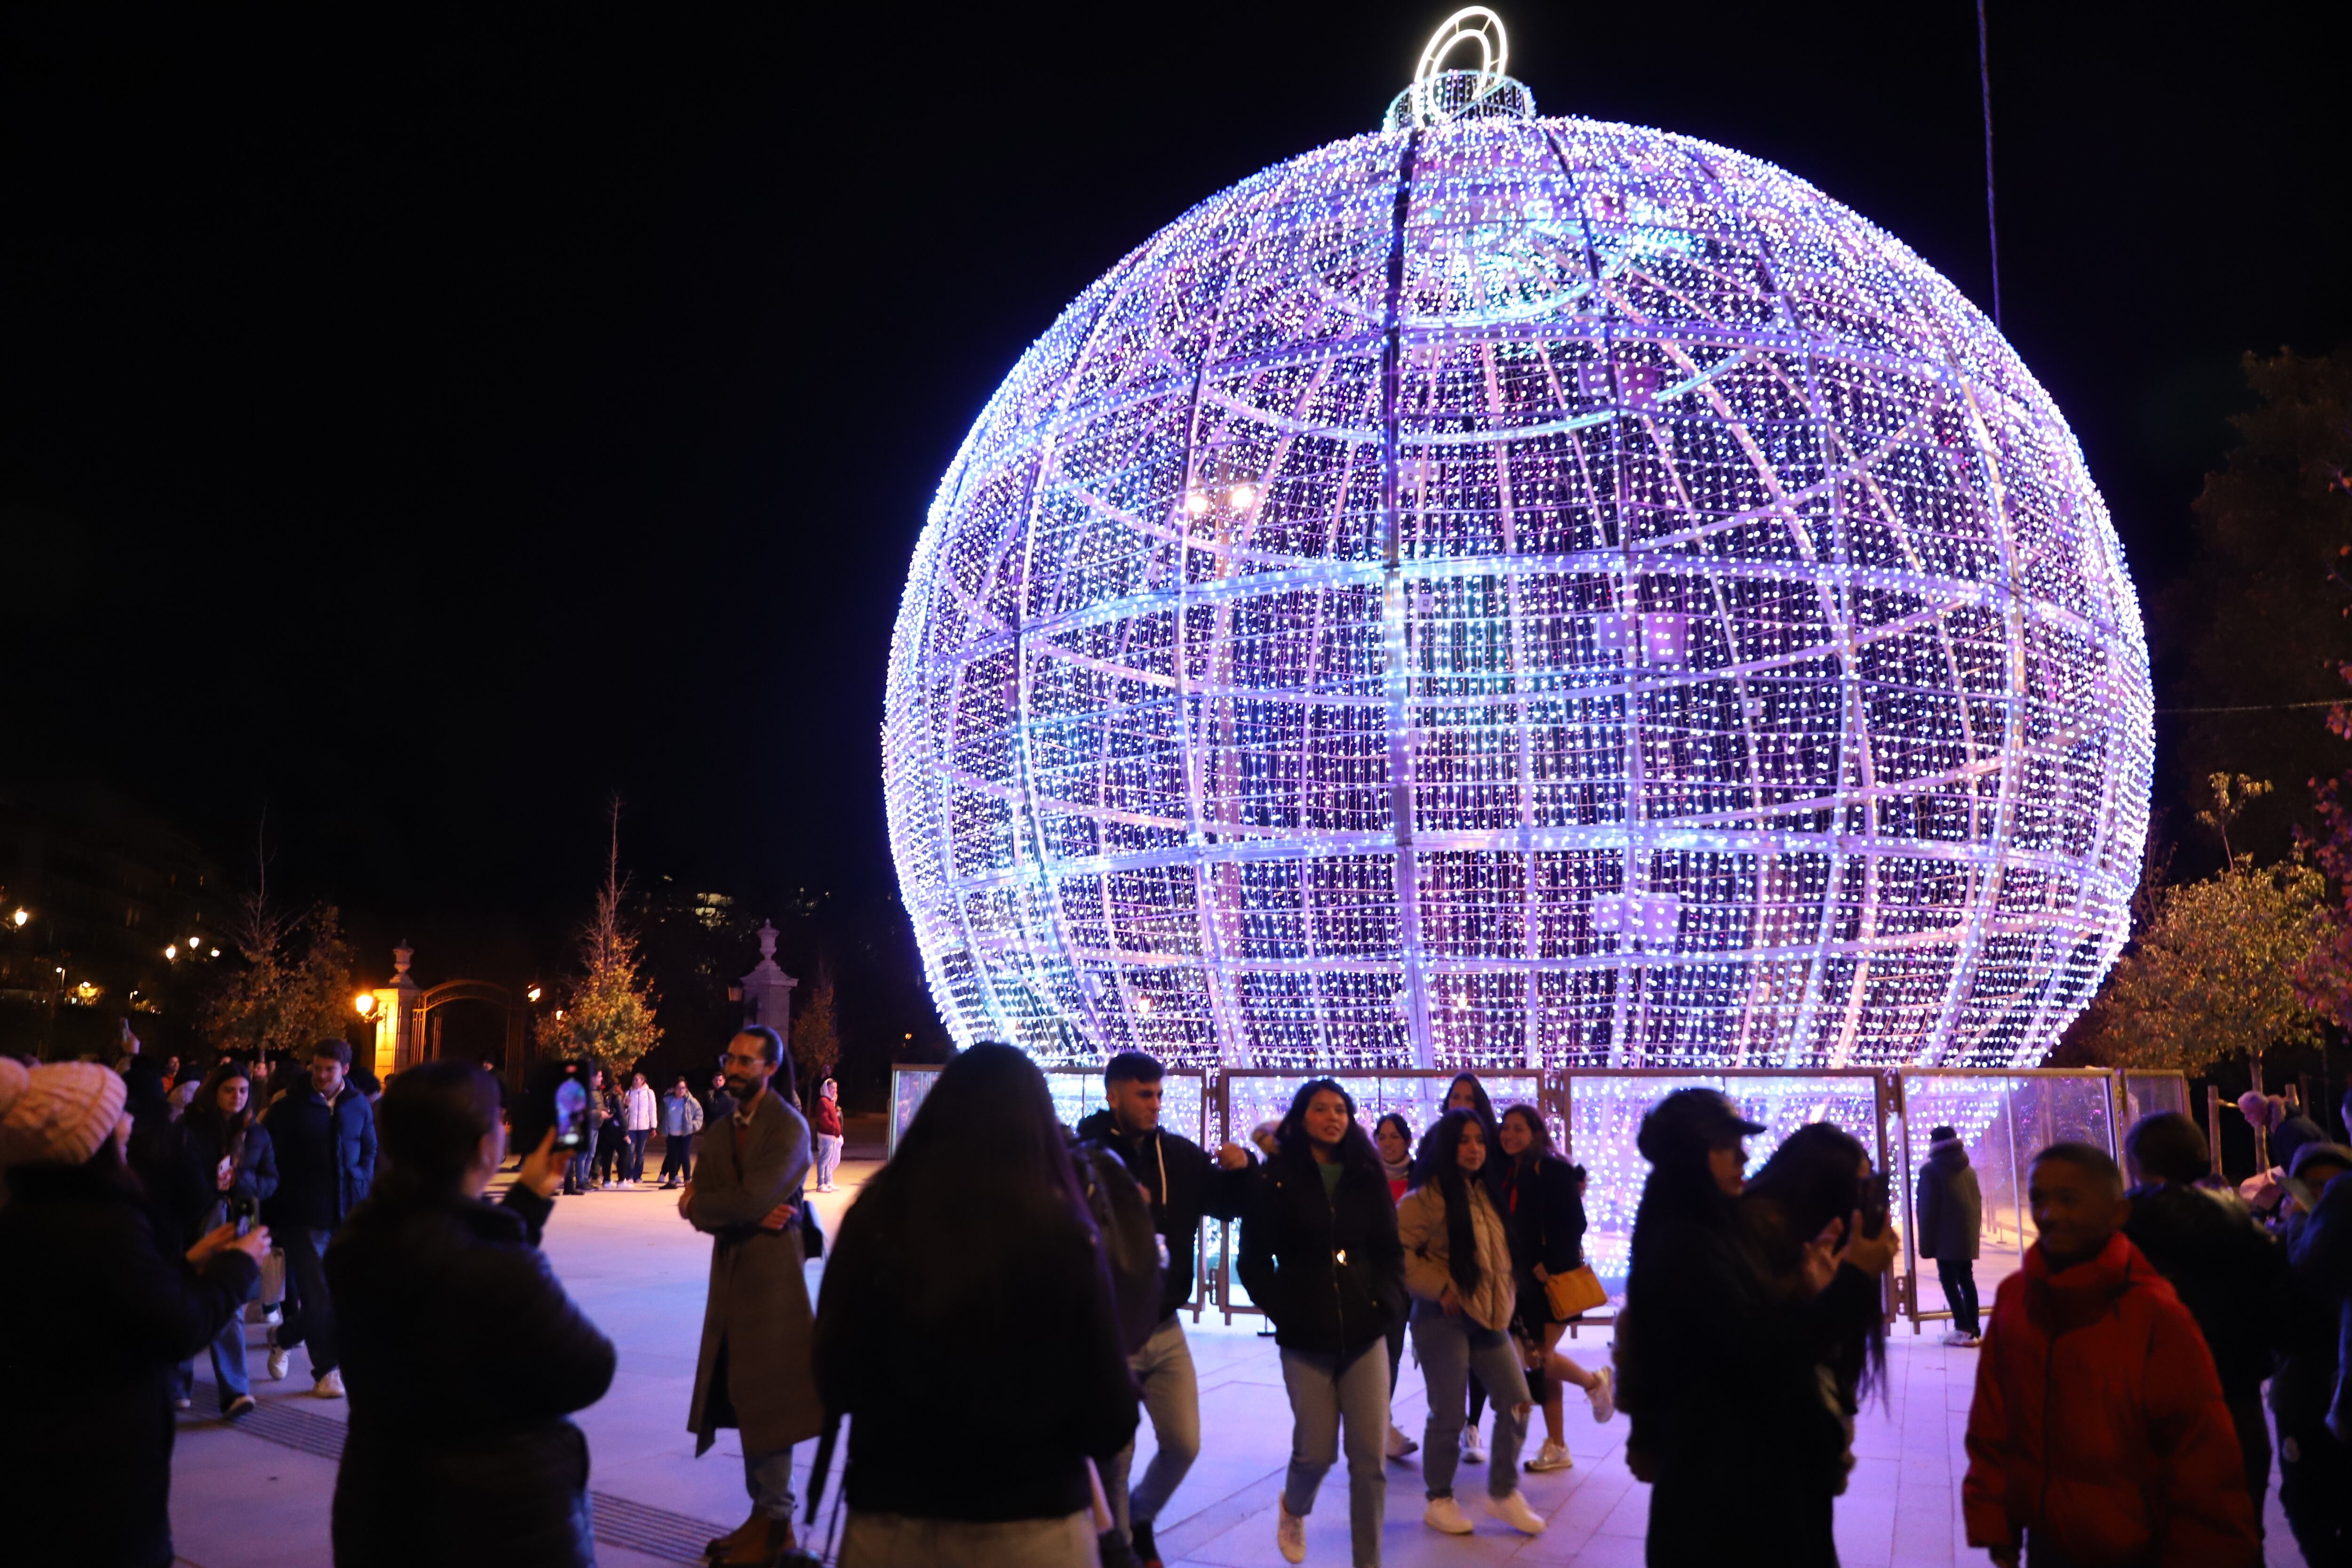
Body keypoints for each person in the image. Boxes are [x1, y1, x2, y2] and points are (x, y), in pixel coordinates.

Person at [815, 1043, 1140, 1568]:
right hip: (1032, 1525)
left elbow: (832, 1374)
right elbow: (1108, 1418)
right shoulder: (1064, 1235)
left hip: (891, 1518)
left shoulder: (875, 1217)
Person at [326, 1060, 616, 1568]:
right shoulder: (494, 1264)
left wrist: (525, 1202)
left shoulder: (364, 1236)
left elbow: (450, 1281)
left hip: (382, 1503)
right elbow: (589, 1370)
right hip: (496, 1519)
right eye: (498, 1122)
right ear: (486, 1146)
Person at [0, 1058, 270, 1568]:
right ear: (85, 1144)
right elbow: (176, 1328)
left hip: (52, 1459)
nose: (128, 1124)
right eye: (114, 1115)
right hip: (97, 1469)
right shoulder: (103, 1223)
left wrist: (187, 1265)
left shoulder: (36, 1214)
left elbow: (113, 1301)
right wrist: (237, 1267)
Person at [1615, 1088, 1894, 1567]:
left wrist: (1815, 1293)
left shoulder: (1701, 1229)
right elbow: (1759, 1358)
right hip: (1725, 1497)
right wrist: (1849, 1285)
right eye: (1725, 1144)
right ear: (1691, 1155)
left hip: (1737, 1483)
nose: (1743, 1154)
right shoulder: (1686, 1246)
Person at [1963, 1142, 2259, 1568]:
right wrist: (1996, 1520)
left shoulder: (2155, 1312)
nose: (2050, 1214)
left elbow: (2201, 1458)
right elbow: (1993, 1422)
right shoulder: (2016, 1297)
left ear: (2117, 1213)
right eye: (2039, 1198)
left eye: (2069, 1199)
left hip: (2140, 1549)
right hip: (2047, 1543)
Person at [1073, 1051, 1258, 1568]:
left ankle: (1135, 1521)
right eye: (1143, 1094)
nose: (1155, 1104)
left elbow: (1228, 1205)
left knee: (1183, 1442)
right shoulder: (1083, 1156)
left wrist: (1244, 1170)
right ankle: (1116, 1550)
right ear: (1113, 1095)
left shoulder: (1176, 1156)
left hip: (1165, 1325)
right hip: (1108, 1332)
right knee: (1115, 1455)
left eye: (1158, 1094)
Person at [1237, 1078, 1403, 1568]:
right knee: (1315, 1453)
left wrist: (1384, 1304)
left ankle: (1367, 1562)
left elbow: (1390, 1252)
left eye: (1340, 1109)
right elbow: (1251, 1260)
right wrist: (1283, 1308)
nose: (1332, 1117)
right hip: (1305, 1337)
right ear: (1300, 1118)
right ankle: (1294, 1505)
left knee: (1369, 1461)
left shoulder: (1364, 1175)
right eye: (1320, 1108)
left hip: (1364, 1333)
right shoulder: (1277, 1178)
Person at [680, 1026, 823, 1566]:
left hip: (774, 1282)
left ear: (769, 1067)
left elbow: (743, 1196)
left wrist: (713, 1204)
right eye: (730, 1058)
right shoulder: (720, 1132)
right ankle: (762, 1516)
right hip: (731, 1277)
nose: (734, 1068)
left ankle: (776, 1523)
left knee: (771, 1399)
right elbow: (701, 1203)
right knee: (739, 1394)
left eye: (746, 1061)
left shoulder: (789, 1128)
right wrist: (713, 1206)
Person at [2120, 1111, 2285, 1532]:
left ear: (2136, 1164)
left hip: (2148, 1416)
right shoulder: (2247, 1230)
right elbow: (2285, 1320)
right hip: (2236, 1406)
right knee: (2239, 1536)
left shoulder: (2117, 1233)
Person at [1398, 1109, 1548, 1539]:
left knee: (1518, 1401)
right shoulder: (1423, 1199)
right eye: (1464, 1140)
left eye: (1480, 1140)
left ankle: (1503, 1491)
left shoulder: (1486, 1192)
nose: (1475, 1148)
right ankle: (1439, 1498)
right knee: (1449, 1413)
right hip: (1442, 1318)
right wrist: (1442, 1287)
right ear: (1447, 1145)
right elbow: (1400, 1255)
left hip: (1489, 1316)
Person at [1741, 1122, 1893, 1510]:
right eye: (1859, 1192)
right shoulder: (1749, 1261)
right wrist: (1847, 1288)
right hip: (1746, 1501)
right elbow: (1767, 1375)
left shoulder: (1809, 1263)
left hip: (1793, 1489)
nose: (1868, 1209)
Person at [1492, 1104, 1614, 1474]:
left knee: (1539, 1358)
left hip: (1549, 1280)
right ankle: (1558, 1444)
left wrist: (1550, 1264)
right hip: (1525, 1280)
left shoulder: (1550, 1166)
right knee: (1540, 1362)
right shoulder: (1514, 1169)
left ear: (1536, 1132)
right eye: (1506, 1128)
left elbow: (1575, 1221)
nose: (1510, 1134)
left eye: (1519, 1128)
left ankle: (1595, 1382)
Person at [261, 1037, 376, 1397]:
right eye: (317, 1067)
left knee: (338, 1296)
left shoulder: (357, 1104)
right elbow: (270, 1156)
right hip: (303, 1214)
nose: (322, 1075)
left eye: (330, 1069)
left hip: (348, 1212)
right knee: (319, 1295)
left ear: (345, 1069)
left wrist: (360, 1177)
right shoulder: (290, 1107)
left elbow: (369, 1147)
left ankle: (284, 1336)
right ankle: (327, 1371)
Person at [170, 1060, 279, 1418]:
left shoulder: (257, 1133)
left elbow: (271, 1179)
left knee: (230, 1302)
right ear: (215, 1090)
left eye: (244, 1091)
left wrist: (241, 1185)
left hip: (241, 1216)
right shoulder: (192, 1127)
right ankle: (177, 1383)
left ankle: (235, 1391)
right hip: (198, 1216)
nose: (237, 1097)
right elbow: (178, 1173)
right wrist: (208, 1187)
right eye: (229, 1090)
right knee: (187, 1295)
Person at [2274, 1140, 2352, 1565]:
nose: (2320, 1197)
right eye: (2312, 1186)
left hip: (2345, 1399)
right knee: (2304, 1499)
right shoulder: (2280, 1244)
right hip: (2301, 1398)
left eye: (2332, 1187)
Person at [1372, 1112, 1419, 1462]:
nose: (1388, 1142)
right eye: (1382, 1136)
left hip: (1414, 1277)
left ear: (1407, 1140)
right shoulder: (1366, 1175)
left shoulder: (1422, 1176)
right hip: (1375, 1277)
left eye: (1394, 1136)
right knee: (1382, 1351)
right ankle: (1380, 1425)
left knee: (1396, 1351)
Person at [1916, 1122, 1984, 1346]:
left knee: (1948, 1280)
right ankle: (1973, 1328)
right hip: (1965, 1234)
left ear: (1934, 1145)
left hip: (1945, 1237)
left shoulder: (1930, 1171)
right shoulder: (1969, 1170)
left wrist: (1926, 1243)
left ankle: (1963, 1329)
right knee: (1966, 1278)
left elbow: (1927, 1209)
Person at [659, 1075, 704, 1188]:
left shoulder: (691, 1101)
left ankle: (687, 1181)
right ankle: (672, 1181)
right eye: (679, 1088)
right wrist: (662, 1127)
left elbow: (699, 1114)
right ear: (674, 1089)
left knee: (685, 1157)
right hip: (672, 1134)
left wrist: (693, 1126)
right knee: (672, 1157)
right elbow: (662, 1114)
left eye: (683, 1088)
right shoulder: (668, 1101)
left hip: (685, 1134)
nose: (681, 1090)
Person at [591, 1071, 626, 1189]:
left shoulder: (602, 1094)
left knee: (606, 1155)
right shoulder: (617, 1097)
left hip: (604, 1129)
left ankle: (607, 1180)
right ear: (617, 1086)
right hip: (616, 1131)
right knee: (623, 1154)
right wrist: (626, 1132)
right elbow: (622, 1116)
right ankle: (622, 1181)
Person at [622, 1070, 658, 1185]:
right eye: (634, 1080)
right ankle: (630, 1175)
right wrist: (626, 1105)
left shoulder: (649, 1093)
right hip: (631, 1127)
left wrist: (653, 1127)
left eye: (637, 1080)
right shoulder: (628, 1093)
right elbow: (624, 1111)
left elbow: (652, 1110)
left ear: (643, 1081)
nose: (635, 1081)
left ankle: (638, 1175)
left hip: (644, 1127)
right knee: (630, 1151)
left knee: (640, 1152)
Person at [813, 1076, 844, 1193]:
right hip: (826, 1136)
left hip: (832, 1136)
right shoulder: (824, 1102)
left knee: (830, 1161)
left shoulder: (831, 1101)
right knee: (824, 1160)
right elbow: (824, 1119)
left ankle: (828, 1182)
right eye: (832, 1088)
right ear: (826, 1089)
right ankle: (821, 1184)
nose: (835, 1090)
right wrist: (834, 1128)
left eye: (836, 1088)